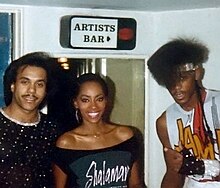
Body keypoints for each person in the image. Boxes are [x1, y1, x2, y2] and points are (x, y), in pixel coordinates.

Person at [147, 37, 220, 188]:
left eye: (182, 79)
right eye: (170, 81)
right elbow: (174, 174)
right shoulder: (165, 122)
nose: (176, 88)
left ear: (197, 73)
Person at [53, 73, 145, 188]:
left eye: (99, 99)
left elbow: (136, 184)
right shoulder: (66, 143)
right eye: (85, 100)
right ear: (76, 103)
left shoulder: (125, 136)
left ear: (106, 100)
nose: (94, 107)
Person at [0, 52, 60, 187]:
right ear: (12, 85)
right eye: (25, 82)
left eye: (39, 84)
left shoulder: (53, 129)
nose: (31, 91)